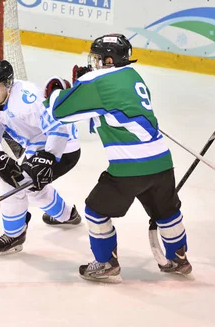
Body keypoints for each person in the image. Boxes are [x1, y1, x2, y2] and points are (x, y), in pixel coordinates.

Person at [45, 33, 191, 282]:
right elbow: (110, 104)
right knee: (167, 212)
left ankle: (105, 264)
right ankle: (178, 258)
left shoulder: (96, 79)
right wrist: (86, 85)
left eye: (98, 57)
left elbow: (59, 111)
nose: (95, 62)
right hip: (161, 162)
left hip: (128, 167)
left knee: (95, 210)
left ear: (109, 59)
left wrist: (60, 90)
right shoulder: (134, 76)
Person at [0, 60, 82, 257]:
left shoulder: (28, 99)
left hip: (64, 144)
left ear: (8, 84)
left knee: (12, 186)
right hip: (37, 143)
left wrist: (48, 157)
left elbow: (58, 128)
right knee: (30, 186)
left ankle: (14, 235)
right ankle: (67, 214)